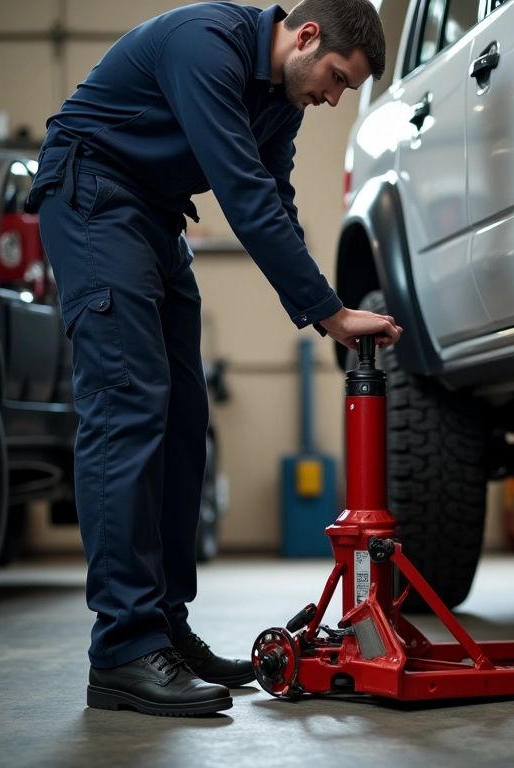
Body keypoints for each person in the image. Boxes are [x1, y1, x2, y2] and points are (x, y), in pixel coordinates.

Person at [26, 0, 402, 717]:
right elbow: (242, 191)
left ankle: (165, 629)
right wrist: (328, 311)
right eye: (336, 78)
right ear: (306, 35)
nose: (333, 97)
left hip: (154, 216)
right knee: (128, 403)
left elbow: (277, 201)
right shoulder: (208, 45)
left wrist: (328, 309)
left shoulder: (281, 100)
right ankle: (123, 647)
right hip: (93, 194)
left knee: (184, 417)